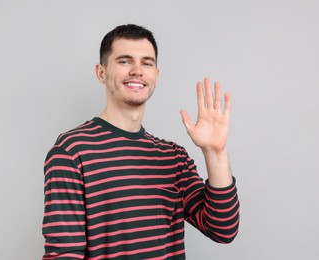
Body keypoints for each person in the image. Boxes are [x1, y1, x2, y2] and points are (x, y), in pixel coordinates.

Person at [42, 24, 240, 260]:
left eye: (147, 63)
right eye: (124, 61)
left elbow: (223, 229)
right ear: (101, 73)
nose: (137, 70)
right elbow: (63, 255)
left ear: (156, 75)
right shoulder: (71, 151)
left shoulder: (173, 157)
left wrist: (215, 152)